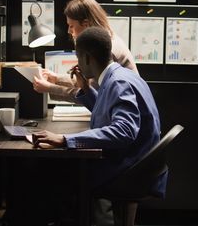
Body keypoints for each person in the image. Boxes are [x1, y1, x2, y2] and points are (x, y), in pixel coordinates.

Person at [32, 27, 166, 224]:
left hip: (128, 168)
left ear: (87, 58)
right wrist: (85, 88)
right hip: (135, 162)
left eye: (78, 57)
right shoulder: (119, 76)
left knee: (54, 174)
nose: (77, 63)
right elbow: (107, 109)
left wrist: (64, 139)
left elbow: (124, 131)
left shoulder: (118, 83)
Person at [33, 0, 138, 103]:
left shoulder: (106, 50)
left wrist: (50, 88)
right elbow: (88, 85)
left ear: (86, 24)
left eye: (72, 26)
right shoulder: (106, 40)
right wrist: (56, 78)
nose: (69, 31)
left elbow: (89, 94)